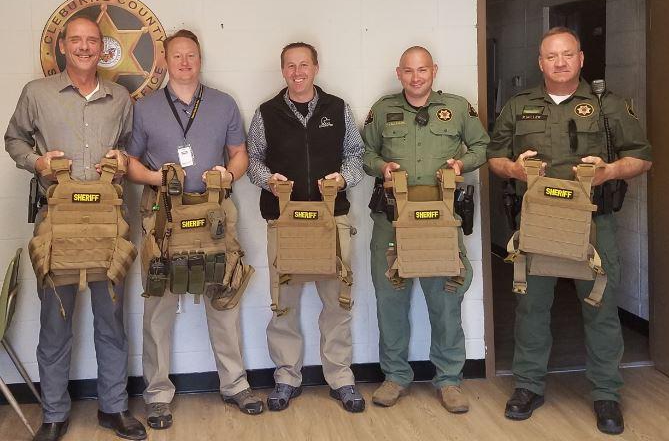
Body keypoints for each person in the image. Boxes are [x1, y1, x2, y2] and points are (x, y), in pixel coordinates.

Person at [487, 27, 652, 435]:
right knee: (532, 308)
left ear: (580, 58)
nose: (559, 62)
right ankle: (528, 386)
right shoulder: (519, 105)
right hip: (538, 221)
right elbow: (494, 157)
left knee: (599, 306)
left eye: (567, 55)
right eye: (550, 56)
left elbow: (642, 158)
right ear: (540, 62)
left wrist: (610, 171)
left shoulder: (608, 106)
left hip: (593, 222)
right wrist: (512, 167)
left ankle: (606, 393)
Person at [4, 15, 146, 441]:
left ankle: (114, 408)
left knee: (111, 321)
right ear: (62, 46)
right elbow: (14, 140)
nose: (84, 47)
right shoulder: (37, 94)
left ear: (102, 48)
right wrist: (38, 162)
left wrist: (122, 162)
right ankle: (53, 414)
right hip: (58, 224)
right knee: (54, 323)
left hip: (108, 224)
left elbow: (128, 149)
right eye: (76, 40)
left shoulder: (120, 98)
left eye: (92, 41)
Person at [125, 29, 262, 429]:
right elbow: (130, 162)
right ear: (165, 61)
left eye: (192, 55)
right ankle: (156, 396)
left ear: (200, 59)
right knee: (158, 310)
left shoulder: (223, 104)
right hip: (165, 219)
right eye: (177, 56)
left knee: (225, 300)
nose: (185, 62)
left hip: (215, 215)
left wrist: (229, 172)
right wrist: (155, 177)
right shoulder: (145, 108)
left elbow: (240, 154)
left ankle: (235, 385)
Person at [361, 46, 489, 412]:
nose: (416, 78)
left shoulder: (459, 108)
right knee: (391, 298)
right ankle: (395, 376)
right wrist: (382, 166)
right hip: (393, 220)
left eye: (423, 70)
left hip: (441, 217)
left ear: (434, 70)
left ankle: (449, 379)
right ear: (398, 73)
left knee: (446, 297)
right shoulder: (383, 110)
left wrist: (462, 163)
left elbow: (482, 145)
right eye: (408, 71)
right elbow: (364, 154)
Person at [247, 42, 365, 413]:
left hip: (331, 221)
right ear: (282, 70)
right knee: (284, 304)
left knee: (337, 303)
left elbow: (355, 156)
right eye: (290, 66)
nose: (298, 72)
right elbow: (253, 161)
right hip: (285, 221)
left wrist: (342, 180)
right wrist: (269, 180)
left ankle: (341, 378)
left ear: (316, 67)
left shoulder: (338, 109)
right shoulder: (266, 113)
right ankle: (286, 377)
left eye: (304, 65)